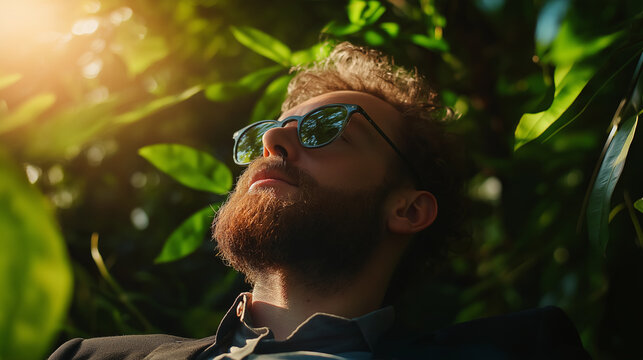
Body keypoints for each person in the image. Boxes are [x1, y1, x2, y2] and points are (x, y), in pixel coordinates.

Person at [49, 42, 590, 359]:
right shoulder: (92, 359)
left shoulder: (526, 350)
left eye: (327, 131)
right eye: (272, 130)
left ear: (408, 209)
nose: (273, 143)